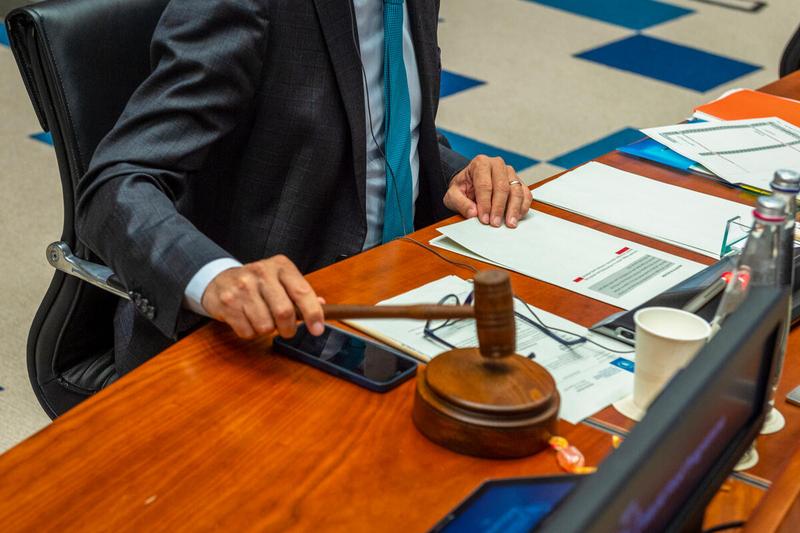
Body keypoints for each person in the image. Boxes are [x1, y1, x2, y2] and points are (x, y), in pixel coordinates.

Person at [76, 0, 532, 375]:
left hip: (393, 294)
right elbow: (116, 184)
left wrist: (451, 172)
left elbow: (379, 126)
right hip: (264, 336)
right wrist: (215, 277)